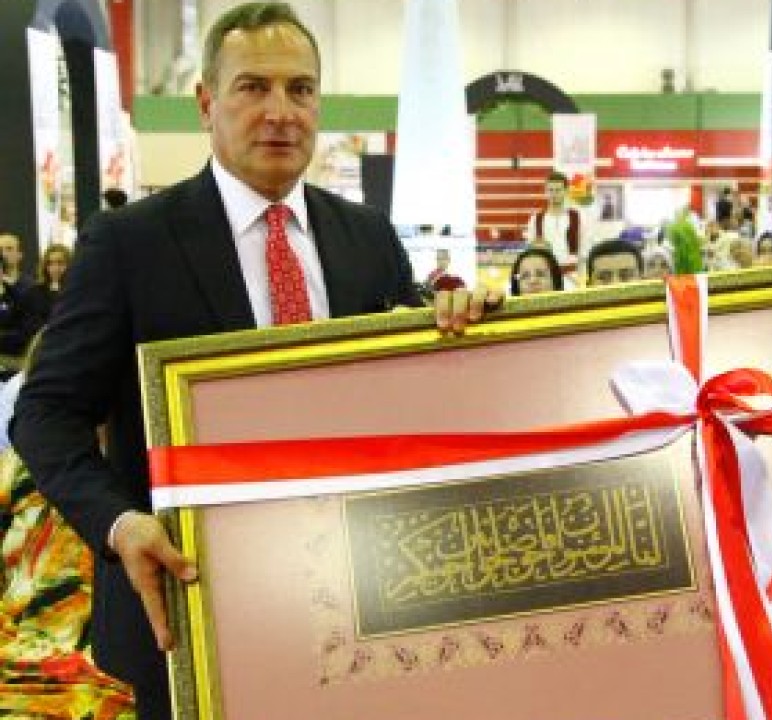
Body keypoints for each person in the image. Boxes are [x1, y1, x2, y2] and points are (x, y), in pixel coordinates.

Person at [10, 5, 497, 718]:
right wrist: (119, 523)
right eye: (253, 87)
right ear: (207, 102)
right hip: (188, 611)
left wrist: (463, 332)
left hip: (356, 607)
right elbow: (46, 414)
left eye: (300, 89)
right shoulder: (129, 244)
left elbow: (405, 397)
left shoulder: (368, 237)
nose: (280, 112)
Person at [525, 170, 581, 270]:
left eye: (558, 190)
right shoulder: (536, 218)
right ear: (546, 192)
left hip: (571, 271)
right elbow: (530, 245)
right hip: (545, 270)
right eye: (550, 190)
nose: (554, 194)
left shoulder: (576, 217)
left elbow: (584, 245)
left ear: (566, 191)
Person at [19, 243, 73, 338]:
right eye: (50, 263)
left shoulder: (76, 292)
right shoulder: (34, 292)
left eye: (60, 263)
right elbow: (26, 323)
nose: (55, 268)